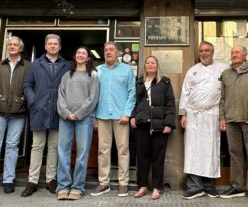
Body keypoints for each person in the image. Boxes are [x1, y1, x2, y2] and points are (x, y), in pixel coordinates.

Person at [21, 34, 70, 197]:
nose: (53, 46)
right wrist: (33, 100)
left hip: (58, 110)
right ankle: (32, 181)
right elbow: (27, 84)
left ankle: (51, 180)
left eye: (56, 44)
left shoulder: (66, 65)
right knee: (37, 146)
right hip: (39, 110)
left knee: (54, 146)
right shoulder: (36, 64)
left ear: (60, 46)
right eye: (50, 44)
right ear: (45, 45)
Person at [179, 41, 228, 200]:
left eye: (207, 50)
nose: (204, 53)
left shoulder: (223, 68)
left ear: (212, 52)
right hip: (193, 115)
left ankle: (209, 185)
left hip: (212, 113)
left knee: (211, 150)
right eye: (201, 51)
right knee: (193, 150)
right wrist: (183, 114)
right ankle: (194, 186)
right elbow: (185, 93)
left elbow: (235, 78)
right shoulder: (192, 71)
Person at [219, 45, 248, 204]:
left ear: (245, 55)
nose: (234, 54)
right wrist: (222, 118)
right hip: (231, 120)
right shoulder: (226, 74)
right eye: (232, 52)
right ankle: (237, 186)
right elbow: (222, 99)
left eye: (238, 52)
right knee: (235, 154)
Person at [91, 41, 135, 197]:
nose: (108, 52)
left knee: (123, 150)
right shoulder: (98, 70)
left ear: (118, 53)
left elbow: (132, 93)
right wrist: (94, 115)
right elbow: (93, 94)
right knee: (103, 150)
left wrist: (127, 113)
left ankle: (123, 183)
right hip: (102, 115)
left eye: (111, 50)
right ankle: (104, 183)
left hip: (120, 116)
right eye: (105, 50)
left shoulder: (127, 70)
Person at [56, 46, 99, 200]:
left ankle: (77, 187)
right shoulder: (67, 76)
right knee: (63, 152)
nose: (81, 55)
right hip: (65, 118)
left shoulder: (93, 75)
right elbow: (60, 96)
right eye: (78, 53)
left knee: (82, 153)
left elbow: (93, 98)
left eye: (84, 53)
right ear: (75, 57)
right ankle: (63, 186)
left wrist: (79, 114)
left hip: (84, 119)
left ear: (88, 58)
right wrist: (67, 113)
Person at [130, 56, 176, 200]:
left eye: (153, 63)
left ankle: (157, 187)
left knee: (158, 158)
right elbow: (133, 101)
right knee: (142, 157)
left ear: (157, 66)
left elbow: (170, 104)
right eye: (147, 63)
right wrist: (132, 116)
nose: (150, 65)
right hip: (142, 124)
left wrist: (168, 123)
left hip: (159, 125)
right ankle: (142, 186)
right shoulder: (138, 81)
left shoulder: (165, 82)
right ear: (144, 66)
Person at [0, 36, 30, 194]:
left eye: (15, 45)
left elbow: (32, 85)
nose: (12, 47)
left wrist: (24, 98)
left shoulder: (28, 66)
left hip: (18, 111)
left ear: (21, 48)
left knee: (12, 146)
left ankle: (8, 179)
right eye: (10, 45)